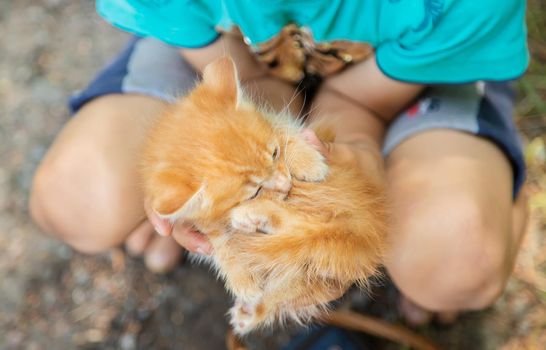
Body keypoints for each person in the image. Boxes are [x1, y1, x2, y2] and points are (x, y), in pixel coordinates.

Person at [29, 0, 530, 325]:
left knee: (460, 261)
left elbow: (362, 104)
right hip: (226, 55)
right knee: (75, 198)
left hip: (416, 68)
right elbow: (242, 80)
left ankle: (495, 200)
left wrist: (354, 157)